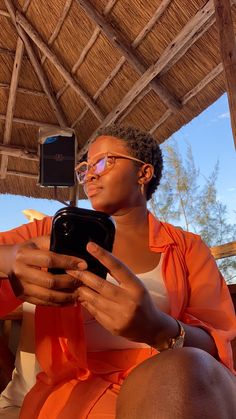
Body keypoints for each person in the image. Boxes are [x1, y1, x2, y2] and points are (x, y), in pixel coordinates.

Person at [0, 125, 235, 419]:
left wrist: (158, 328)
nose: (90, 174)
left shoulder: (186, 247)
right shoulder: (47, 234)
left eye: (104, 161)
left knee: (181, 372)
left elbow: (218, 343)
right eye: (84, 168)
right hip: (76, 393)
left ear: (143, 173)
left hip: (177, 384)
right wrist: (10, 259)